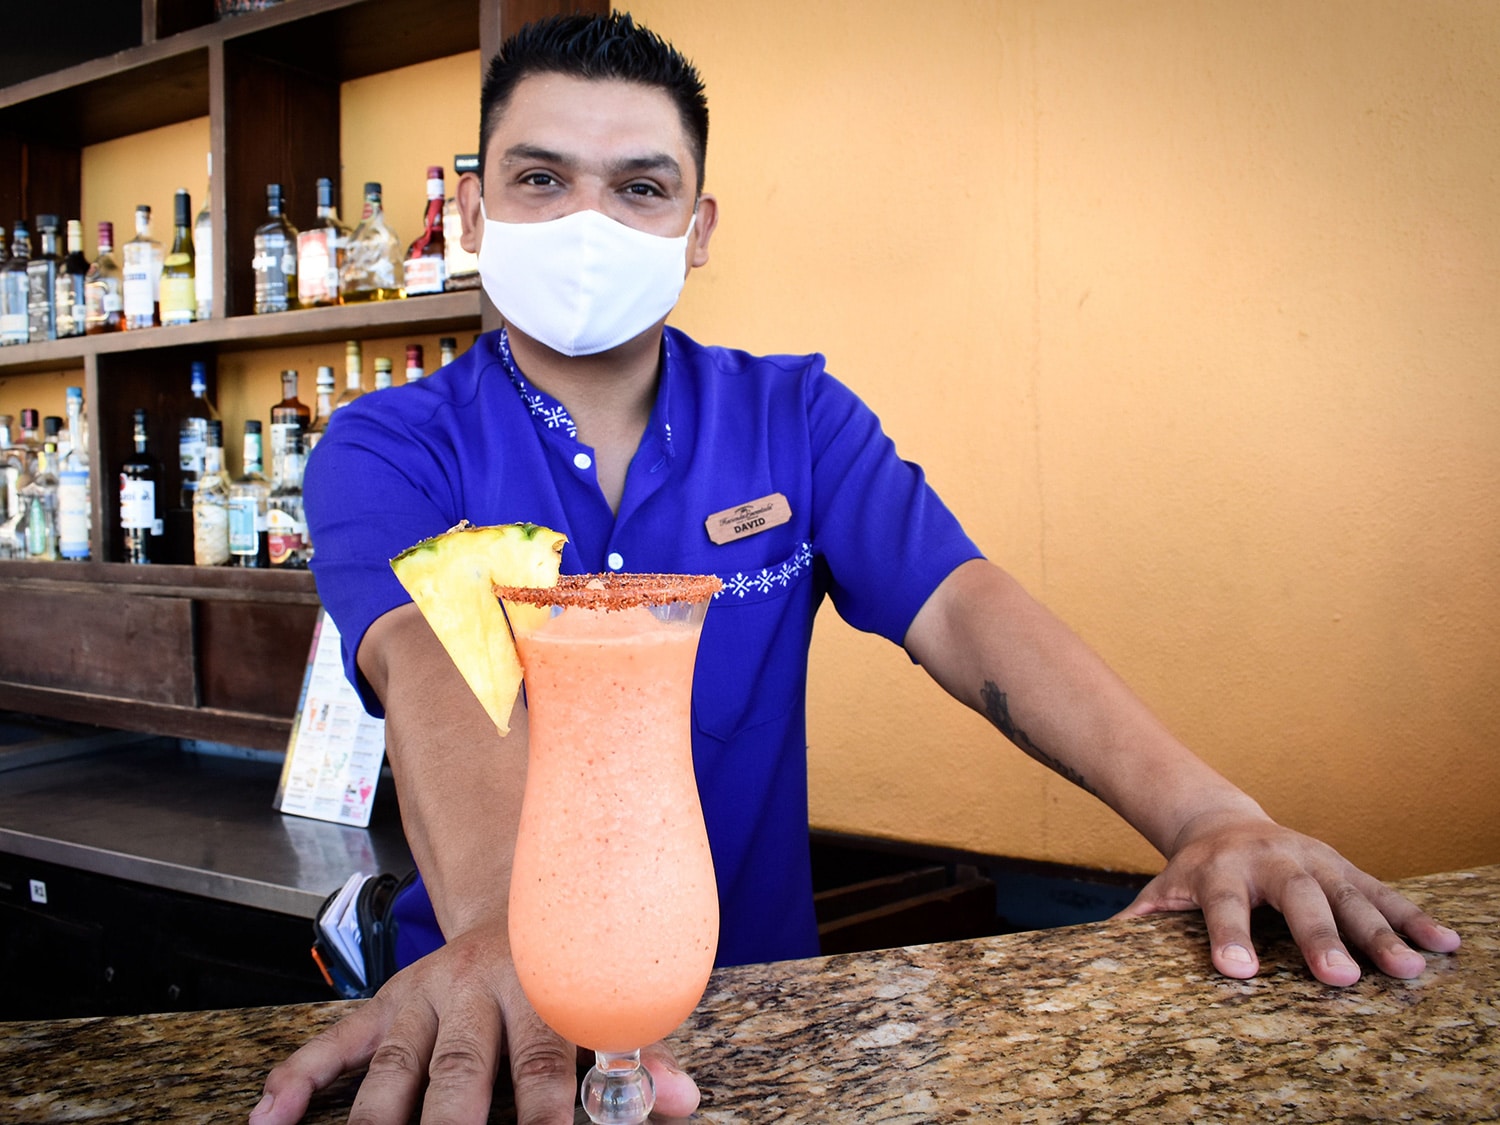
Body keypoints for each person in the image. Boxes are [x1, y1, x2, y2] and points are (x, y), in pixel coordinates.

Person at [254, 13, 1461, 1125]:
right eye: (539, 179)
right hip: (487, 1006)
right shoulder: (387, 447)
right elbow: (426, 657)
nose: (588, 224)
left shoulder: (798, 418)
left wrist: (1210, 816)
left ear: (698, 227)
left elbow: (966, 606)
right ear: (472, 216)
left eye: (639, 188)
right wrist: (511, 938)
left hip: (765, 1018)